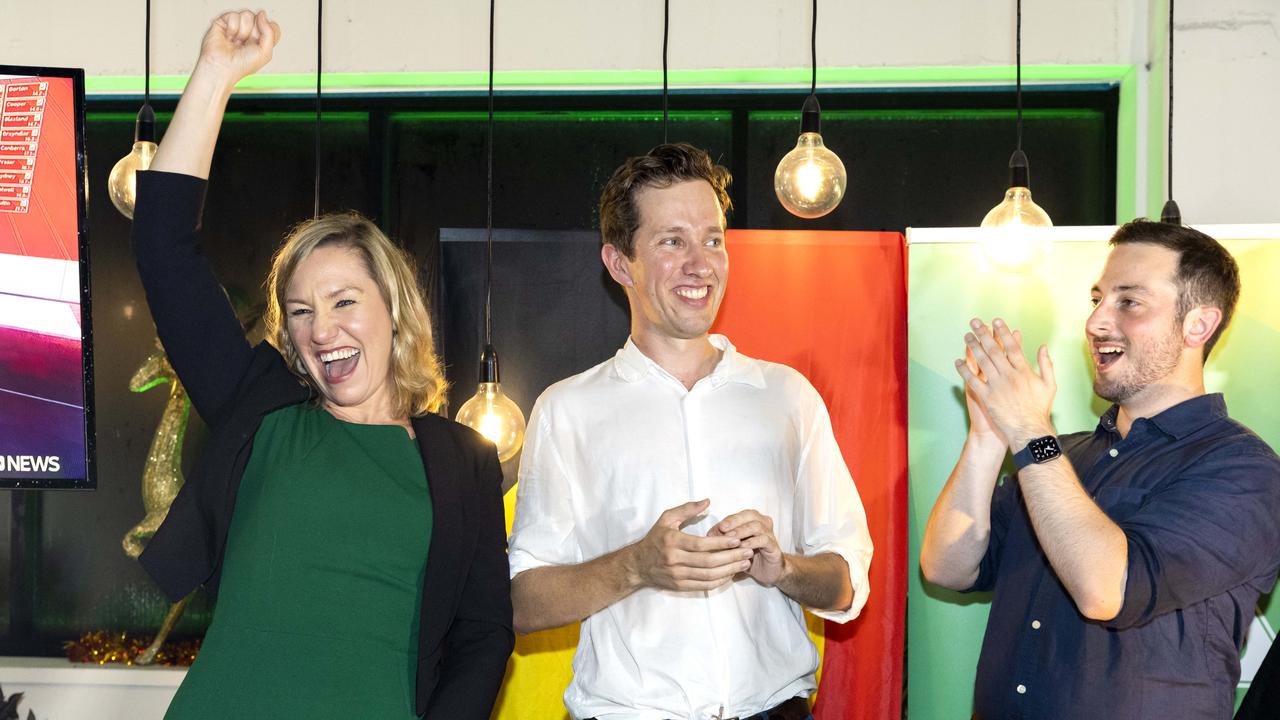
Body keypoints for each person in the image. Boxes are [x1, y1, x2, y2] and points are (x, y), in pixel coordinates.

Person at [132, 11, 512, 719]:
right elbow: (162, 246)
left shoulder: (464, 461)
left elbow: (483, 635)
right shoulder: (263, 411)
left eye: (343, 300)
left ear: (392, 308)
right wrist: (215, 72)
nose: (321, 328)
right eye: (300, 310)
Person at [507, 143, 873, 720]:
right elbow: (524, 601)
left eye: (713, 239)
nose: (700, 263)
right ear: (619, 263)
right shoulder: (566, 409)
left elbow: (846, 583)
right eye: (672, 241)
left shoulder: (788, 396)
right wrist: (637, 565)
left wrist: (784, 568)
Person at [919, 220, 1280, 719]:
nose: (1096, 322)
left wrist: (1029, 433)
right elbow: (948, 568)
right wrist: (987, 437)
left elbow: (1106, 590)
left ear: (1197, 325)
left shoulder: (1244, 470)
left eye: (1128, 302)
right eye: (1097, 299)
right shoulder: (1058, 457)